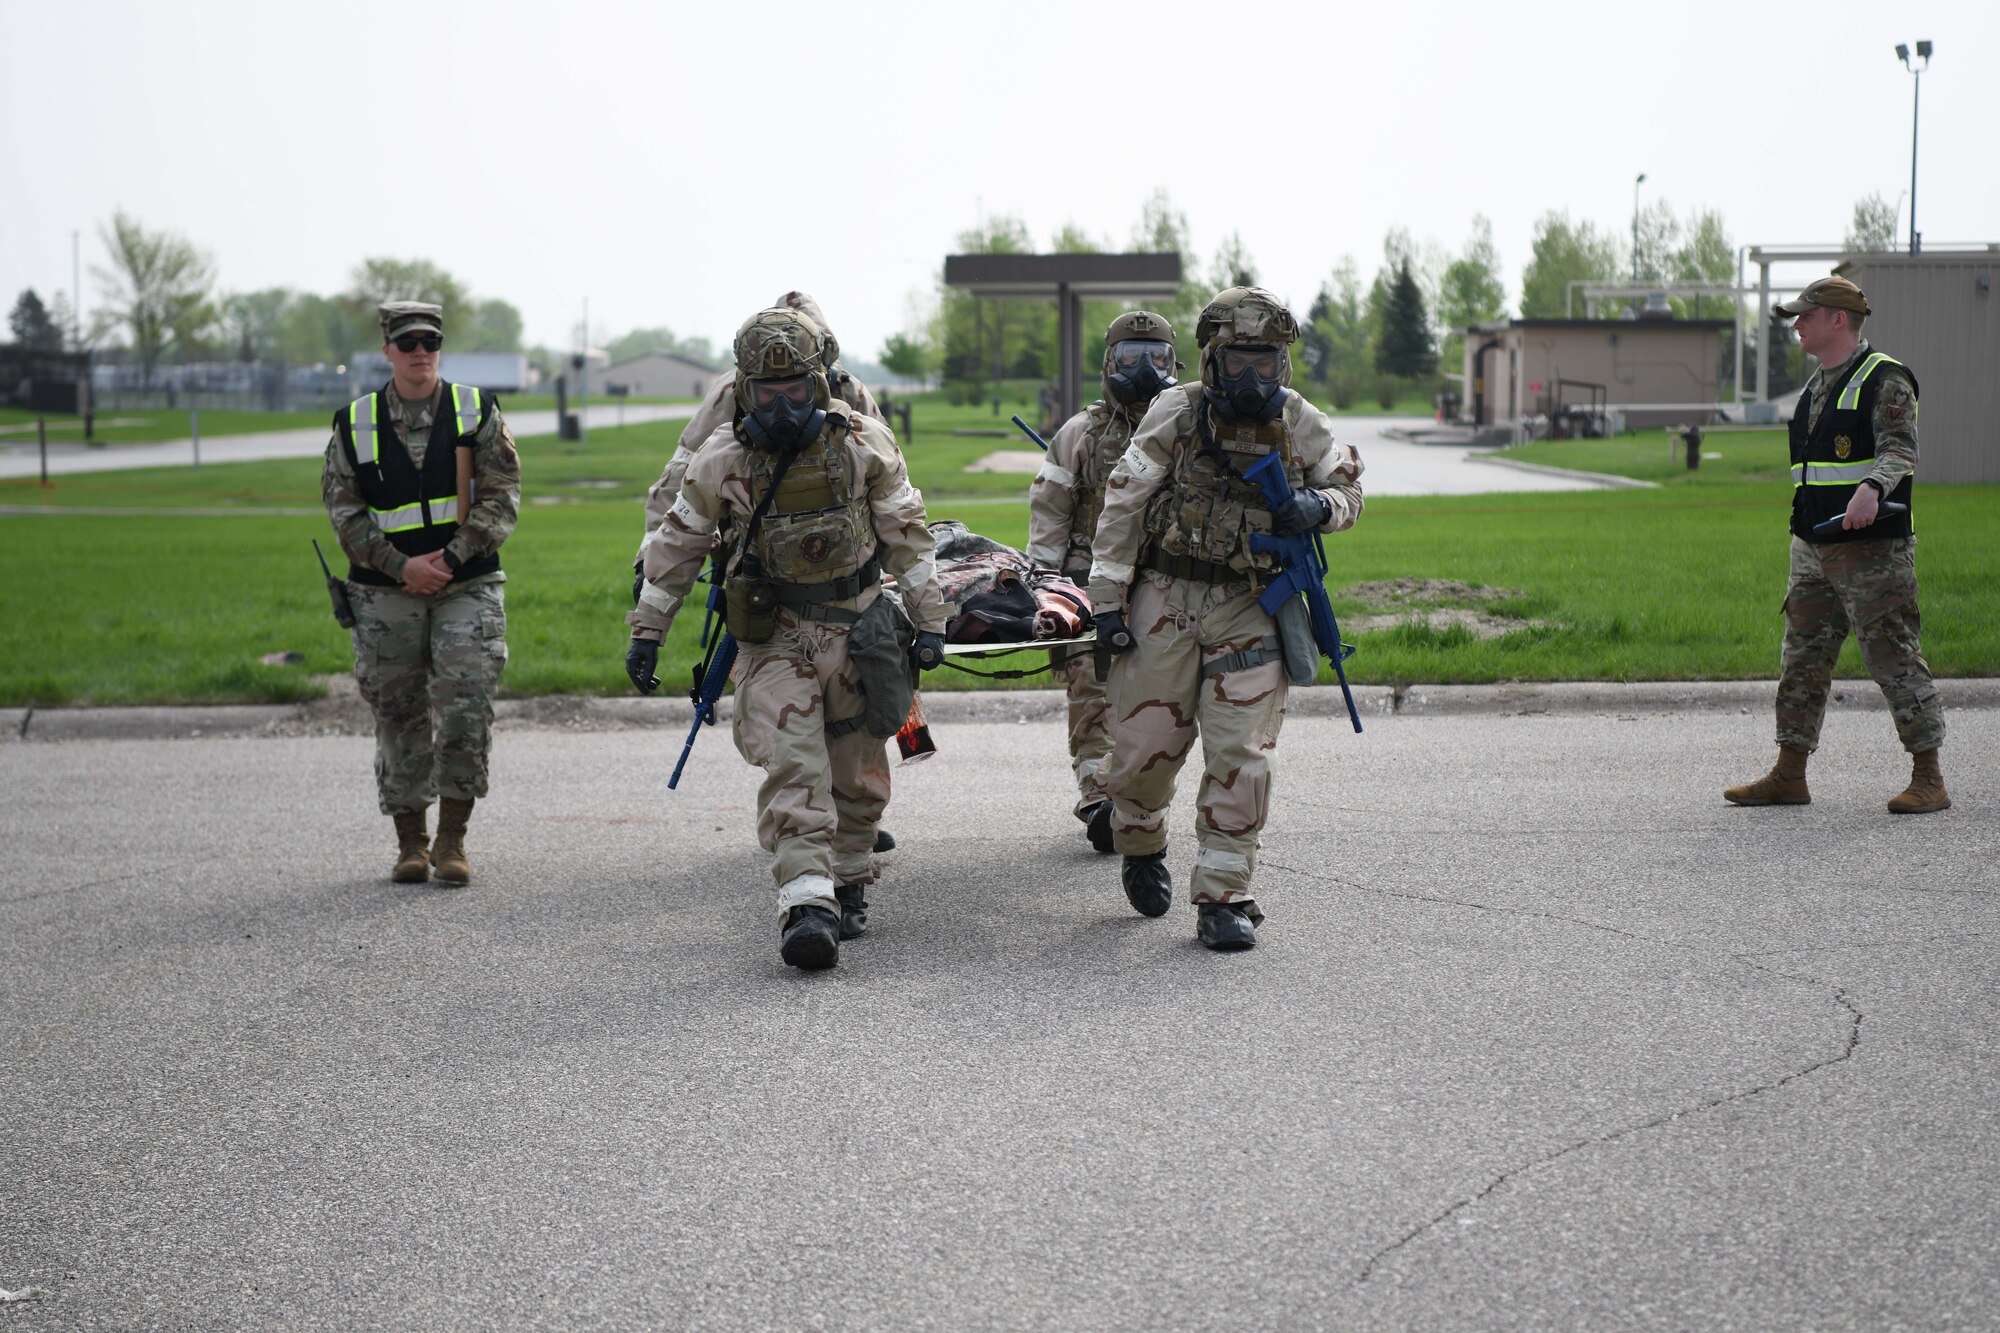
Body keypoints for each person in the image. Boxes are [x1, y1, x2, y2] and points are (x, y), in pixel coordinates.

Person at [624, 307, 947, 971]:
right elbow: (676, 548)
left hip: (857, 625)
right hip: (774, 638)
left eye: (795, 391)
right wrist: (648, 632)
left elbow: (908, 535)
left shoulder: (863, 444)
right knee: (795, 764)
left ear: (818, 383)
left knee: (858, 771)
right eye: (767, 394)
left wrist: (930, 619)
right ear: (742, 390)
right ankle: (806, 905)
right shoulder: (721, 460)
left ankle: (851, 875)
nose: (781, 406)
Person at [1086, 287, 1364, 951]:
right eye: (1238, 360)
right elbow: (1125, 501)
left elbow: (1350, 488)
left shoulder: (1299, 420)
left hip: (1250, 603)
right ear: (1211, 358)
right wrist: (1105, 601)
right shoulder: (1175, 413)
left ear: (1282, 365)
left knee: (1243, 753)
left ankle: (1224, 894)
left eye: (1265, 362)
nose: (1251, 377)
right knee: (1143, 748)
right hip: (1166, 596)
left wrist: (1319, 507)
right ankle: (1141, 837)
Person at [633, 291, 901, 856]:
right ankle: (809, 822)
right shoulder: (733, 395)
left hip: (850, 576)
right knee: (785, 718)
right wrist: (652, 568)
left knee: (862, 709)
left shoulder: (848, 392)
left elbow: (887, 477)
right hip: (760, 568)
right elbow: (681, 480)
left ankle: (849, 819)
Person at [1724, 275, 1948, 813]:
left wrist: (1872, 488)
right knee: (1801, 659)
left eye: (1806, 314)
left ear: (1837, 319)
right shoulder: (1814, 387)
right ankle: (1790, 774)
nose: (1797, 324)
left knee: (1893, 655)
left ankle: (1930, 777)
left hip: (1872, 552)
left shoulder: (1884, 379)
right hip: (1812, 547)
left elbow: (1900, 450)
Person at [322, 301, 521, 884]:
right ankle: (411, 842)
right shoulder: (354, 421)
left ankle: (452, 841)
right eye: (407, 342)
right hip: (386, 591)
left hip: (468, 583)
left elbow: (503, 495)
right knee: (398, 712)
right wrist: (400, 566)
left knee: (465, 705)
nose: (419, 352)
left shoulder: (475, 410)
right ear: (387, 350)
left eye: (430, 341)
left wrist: (453, 558)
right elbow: (344, 511)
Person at [1026, 310, 1181, 853]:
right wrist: (1048, 588)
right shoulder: (1081, 434)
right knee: (1092, 693)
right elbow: (1049, 514)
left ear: (1175, 362)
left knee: (1154, 699)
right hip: (1089, 586)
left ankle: (1138, 795)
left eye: (1156, 358)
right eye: (1131, 358)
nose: (1144, 370)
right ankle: (1098, 799)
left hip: (1165, 586)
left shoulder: (1185, 424)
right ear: (1109, 364)